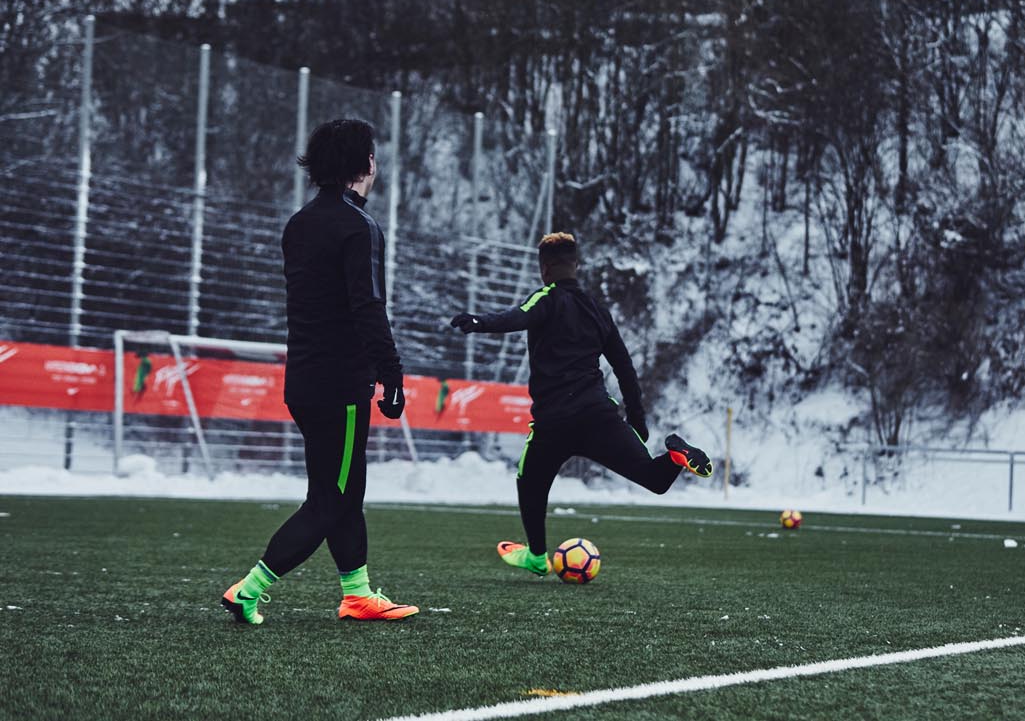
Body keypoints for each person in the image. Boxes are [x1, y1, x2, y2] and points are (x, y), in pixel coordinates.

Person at [221, 119, 418, 624]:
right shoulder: (359, 226)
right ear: (367, 163)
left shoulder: (300, 223)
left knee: (344, 493)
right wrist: (392, 374)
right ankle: (249, 589)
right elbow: (367, 306)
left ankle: (358, 595)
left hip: (305, 381)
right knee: (331, 500)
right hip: (342, 385)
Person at [450, 232, 713, 575]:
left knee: (529, 482)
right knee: (655, 479)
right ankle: (676, 457)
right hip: (597, 417)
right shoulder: (598, 310)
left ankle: (536, 556)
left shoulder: (546, 298)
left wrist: (479, 322)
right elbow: (624, 367)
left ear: (544, 269)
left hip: (553, 423)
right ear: (577, 265)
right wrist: (637, 417)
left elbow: (518, 316)